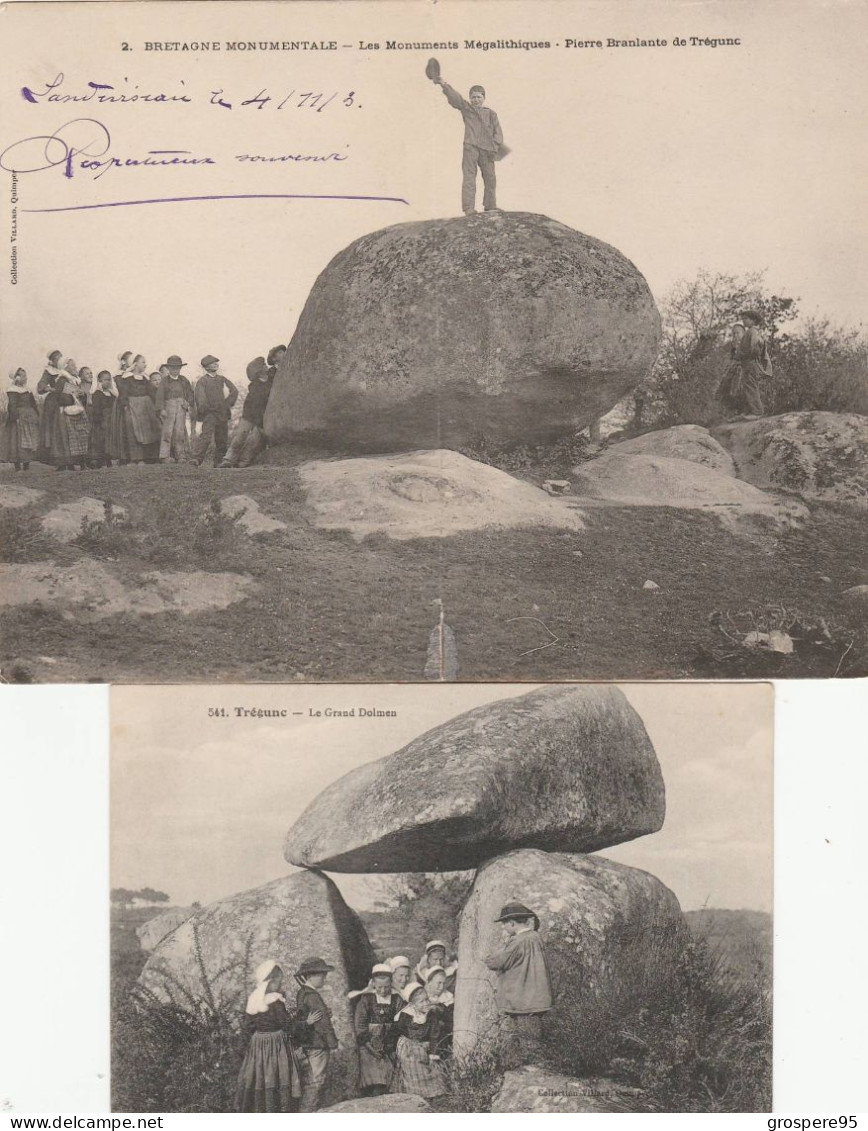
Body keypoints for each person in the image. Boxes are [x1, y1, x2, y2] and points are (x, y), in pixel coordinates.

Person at [235, 959, 322, 1113]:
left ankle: (262, 1108)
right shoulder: (275, 1001)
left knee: (262, 1076)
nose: (280, 985)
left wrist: (242, 1051)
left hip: (258, 1046)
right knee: (278, 1075)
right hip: (276, 1045)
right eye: (279, 981)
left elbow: (247, 1028)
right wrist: (306, 1023)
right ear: (271, 982)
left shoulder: (254, 999)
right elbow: (288, 1026)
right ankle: (278, 1108)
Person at [483, 901, 553, 1065]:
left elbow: (497, 962)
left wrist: (485, 957)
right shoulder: (536, 937)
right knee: (532, 1040)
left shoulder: (518, 941)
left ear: (512, 923)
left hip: (523, 1001)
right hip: (536, 999)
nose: (503, 928)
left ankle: (529, 1075)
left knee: (526, 1043)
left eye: (504, 924)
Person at [430, 68, 504, 215]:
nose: (475, 99)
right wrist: (443, 84)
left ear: (484, 98)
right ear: (470, 98)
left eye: (478, 97)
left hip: (487, 149)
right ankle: (468, 208)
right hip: (470, 147)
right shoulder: (467, 109)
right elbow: (455, 98)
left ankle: (490, 206)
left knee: (490, 178)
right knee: (469, 177)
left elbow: (498, 133)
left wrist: (495, 148)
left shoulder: (491, 113)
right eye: (473, 97)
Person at [349, 962, 402, 1097]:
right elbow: (360, 1026)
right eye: (379, 987)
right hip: (369, 1045)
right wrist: (370, 1046)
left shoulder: (397, 1000)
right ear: (373, 984)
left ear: (391, 984)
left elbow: (401, 1023)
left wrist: (390, 1043)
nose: (383, 991)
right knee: (372, 1070)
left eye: (386, 987)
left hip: (390, 1043)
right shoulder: (366, 1000)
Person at [294, 957, 338, 1112]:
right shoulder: (312, 996)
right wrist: (332, 1042)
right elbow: (323, 1024)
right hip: (317, 1043)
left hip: (309, 1042)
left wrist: (325, 1013)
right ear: (310, 976)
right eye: (321, 974)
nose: (324, 978)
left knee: (312, 1079)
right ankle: (307, 1112)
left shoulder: (302, 992)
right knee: (316, 1081)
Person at [390, 982, 448, 1099]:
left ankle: (434, 1092)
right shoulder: (406, 1015)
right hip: (408, 1047)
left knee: (435, 1067)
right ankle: (418, 1093)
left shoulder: (431, 1015)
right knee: (414, 1066)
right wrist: (391, 1049)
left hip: (425, 1046)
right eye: (421, 1001)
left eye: (426, 999)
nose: (426, 1003)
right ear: (413, 1004)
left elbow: (434, 1035)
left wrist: (433, 1054)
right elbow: (395, 1031)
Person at [219, 357, 273, 468]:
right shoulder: (255, 386)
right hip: (249, 414)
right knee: (240, 436)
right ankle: (228, 459)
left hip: (263, 415)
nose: (266, 366)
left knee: (254, 440)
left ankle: (243, 461)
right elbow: (255, 404)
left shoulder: (272, 380)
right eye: (263, 365)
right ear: (259, 371)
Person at [193, 354, 237, 466]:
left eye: (216, 362)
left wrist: (227, 404)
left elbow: (234, 391)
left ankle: (219, 461)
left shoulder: (222, 379)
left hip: (222, 413)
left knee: (222, 438)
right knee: (206, 437)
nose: (216, 364)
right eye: (212, 363)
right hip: (210, 414)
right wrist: (206, 409)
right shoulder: (202, 381)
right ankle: (197, 459)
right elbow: (200, 398)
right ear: (206, 367)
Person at [117, 355, 161, 465]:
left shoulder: (145, 379)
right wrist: (126, 406)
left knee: (149, 431)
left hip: (146, 408)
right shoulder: (126, 378)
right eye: (143, 362)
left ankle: (149, 457)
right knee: (134, 432)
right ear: (135, 364)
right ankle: (136, 458)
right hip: (133, 407)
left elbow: (152, 393)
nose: (145, 364)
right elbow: (123, 394)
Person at [155, 355, 195, 463]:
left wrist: (188, 403)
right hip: (169, 407)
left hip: (181, 407)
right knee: (167, 431)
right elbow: (159, 396)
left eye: (177, 367)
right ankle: (164, 456)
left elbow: (190, 394)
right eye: (172, 368)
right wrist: (162, 409)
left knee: (179, 431)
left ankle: (180, 455)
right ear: (168, 369)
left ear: (180, 368)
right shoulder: (165, 381)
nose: (175, 370)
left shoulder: (184, 380)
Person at [733, 309, 771, 418]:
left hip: (750, 363)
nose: (743, 321)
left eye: (746, 319)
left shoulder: (752, 332)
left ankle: (757, 412)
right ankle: (752, 410)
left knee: (751, 386)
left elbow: (755, 348)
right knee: (747, 386)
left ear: (753, 320)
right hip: (747, 363)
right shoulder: (750, 331)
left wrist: (743, 355)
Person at [53, 360, 91, 471]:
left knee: (79, 437)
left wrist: (81, 395)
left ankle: (80, 462)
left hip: (76, 411)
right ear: (65, 367)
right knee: (67, 438)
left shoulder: (74, 380)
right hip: (66, 412)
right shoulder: (61, 380)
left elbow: (81, 397)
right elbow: (60, 398)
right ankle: (69, 463)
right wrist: (73, 395)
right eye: (73, 365)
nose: (75, 367)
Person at [1, 368, 39, 470]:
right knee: (17, 441)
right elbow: (12, 405)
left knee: (29, 440)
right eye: (23, 376)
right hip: (19, 418)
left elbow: (33, 403)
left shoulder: (28, 389)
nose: (26, 378)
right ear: (17, 378)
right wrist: (15, 418)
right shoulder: (12, 390)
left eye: (25, 375)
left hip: (29, 417)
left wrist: (36, 414)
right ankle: (17, 466)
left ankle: (26, 465)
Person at [36, 349, 65, 464]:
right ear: (53, 360)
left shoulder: (65, 369)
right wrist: (49, 388)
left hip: (67, 398)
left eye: (60, 356)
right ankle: (54, 455)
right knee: (54, 426)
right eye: (57, 358)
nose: (59, 359)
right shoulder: (49, 371)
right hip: (54, 402)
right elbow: (41, 384)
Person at [422, 966, 454, 1058]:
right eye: (438, 983)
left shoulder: (448, 998)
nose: (441, 987)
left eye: (444, 983)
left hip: (443, 1038)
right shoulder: (421, 996)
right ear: (429, 982)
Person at [89, 371, 117, 468]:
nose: (108, 382)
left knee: (110, 440)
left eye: (109, 380)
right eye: (105, 380)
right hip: (102, 421)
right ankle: (100, 460)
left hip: (111, 420)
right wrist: (99, 420)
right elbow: (96, 408)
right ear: (100, 381)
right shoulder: (97, 394)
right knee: (101, 440)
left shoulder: (112, 394)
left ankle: (109, 459)